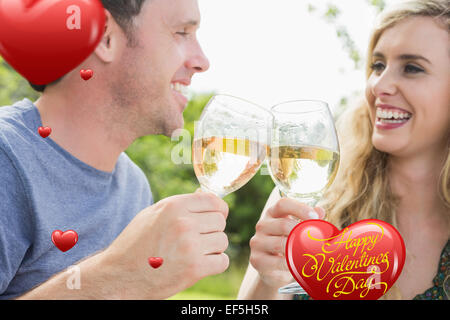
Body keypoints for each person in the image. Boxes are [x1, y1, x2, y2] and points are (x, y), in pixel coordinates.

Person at [0, 0, 230, 299]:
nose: (202, 61)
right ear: (104, 37)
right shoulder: (7, 160)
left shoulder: (134, 187)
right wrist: (116, 276)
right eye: (181, 32)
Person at [238, 0, 449, 300]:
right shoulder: (307, 198)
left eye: (412, 68)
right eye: (378, 65)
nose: (379, 85)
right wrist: (269, 281)